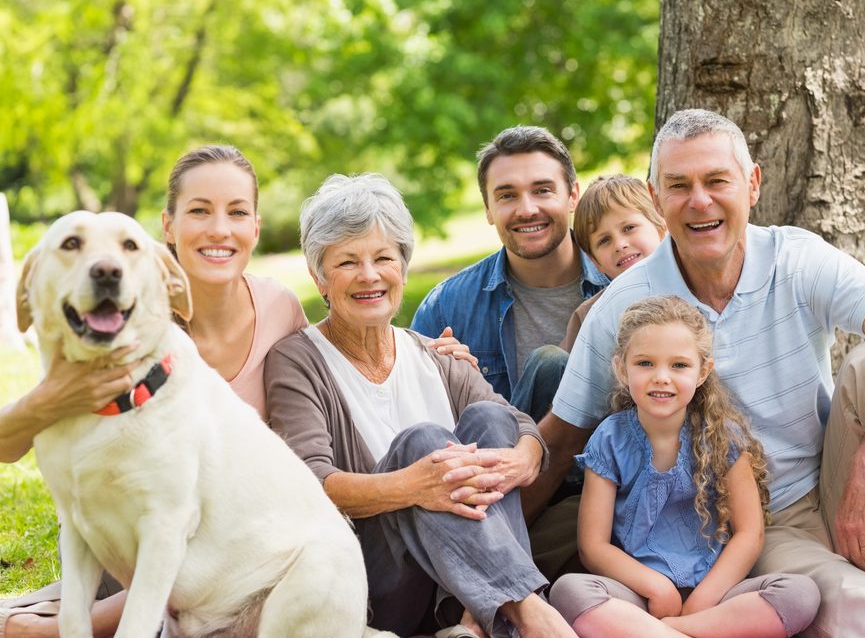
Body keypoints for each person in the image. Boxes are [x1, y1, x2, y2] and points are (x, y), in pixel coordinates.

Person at [534, 109, 865, 635]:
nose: (700, 201)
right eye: (679, 185)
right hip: (751, 528)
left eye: (717, 181)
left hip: (840, 485)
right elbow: (560, 438)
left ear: (752, 183)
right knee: (844, 602)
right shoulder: (625, 305)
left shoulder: (796, 258)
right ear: (656, 197)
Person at [0, 145, 310, 637]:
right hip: (123, 547)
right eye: (199, 211)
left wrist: (429, 347)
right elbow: (7, 446)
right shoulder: (116, 342)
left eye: (237, 213)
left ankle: (43, 626)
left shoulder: (279, 306)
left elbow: (327, 365)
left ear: (256, 226)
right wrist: (52, 400)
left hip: (226, 541)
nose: (219, 229)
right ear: (168, 226)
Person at [264, 173, 576, 638]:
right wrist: (412, 485)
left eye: (383, 258)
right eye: (347, 262)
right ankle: (528, 612)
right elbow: (312, 483)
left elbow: (519, 425)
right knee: (422, 442)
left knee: (490, 419)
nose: (369, 275)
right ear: (319, 277)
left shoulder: (435, 355)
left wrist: (522, 459)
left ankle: (476, 619)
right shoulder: (296, 360)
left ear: (403, 270)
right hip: (377, 586)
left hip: (455, 590)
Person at [549, 296, 820, 638]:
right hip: (637, 598)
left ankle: (674, 632)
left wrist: (699, 603)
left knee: (798, 595)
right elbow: (593, 546)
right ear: (621, 368)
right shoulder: (610, 439)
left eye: (679, 365)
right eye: (645, 363)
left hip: (715, 596)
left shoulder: (724, 437)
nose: (661, 377)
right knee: (570, 592)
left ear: (703, 371)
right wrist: (656, 588)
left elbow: (750, 534)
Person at [411, 125, 608, 423]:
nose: (527, 210)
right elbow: (417, 417)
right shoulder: (445, 309)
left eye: (542, 190)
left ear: (572, 196)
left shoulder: (622, 284)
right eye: (507, 196)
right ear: (488, 209)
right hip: (503, 464)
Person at [559, 173, 666, 351]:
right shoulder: (591, 315)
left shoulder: (697, 287)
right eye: (604, 240)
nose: (620, 245)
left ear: (661, 227)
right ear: (595, 262)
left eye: (629, 228)